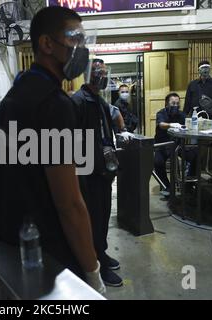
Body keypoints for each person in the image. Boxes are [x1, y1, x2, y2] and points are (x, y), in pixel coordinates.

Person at [0, 7, 105, 294]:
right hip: (50, 251)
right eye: (75, 39)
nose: (82, 49)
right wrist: (92, 271)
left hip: (14, 242)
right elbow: (69, 204)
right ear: (46, 43)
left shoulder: (16, 95)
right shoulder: (54, 105)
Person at [72, 59, 133, 287]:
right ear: (87, 75)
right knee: (94, 219)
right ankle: (97, 264)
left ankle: (102, 252)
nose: (103, 76)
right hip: (88, 173)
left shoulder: (99, 100)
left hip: (104, 171)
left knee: (104, 215)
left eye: (105, 72)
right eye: (99, 72)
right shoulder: (78, 102)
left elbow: (107, 131)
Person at [184, 60, 212, 180]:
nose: (205, 70)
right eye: (203, 68)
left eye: (207, 68)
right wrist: (183, 121)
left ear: (210, 69)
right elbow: (187, 104)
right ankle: (190, 173)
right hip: (195, 120)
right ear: (198, 70)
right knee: (193, 147)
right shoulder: (192, 85)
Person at [154, 93, 196, 196]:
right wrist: (171, 125)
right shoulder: (161, 113)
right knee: (157, 163)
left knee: (195, 156)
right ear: (166, 104)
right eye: (173, 103)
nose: (175, 106)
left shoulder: (181, 115)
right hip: (162, 145)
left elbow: (189, 124)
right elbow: (161, 125)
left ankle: (188, 186)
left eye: (177, 103)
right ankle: (166, 187)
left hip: (178, 146)